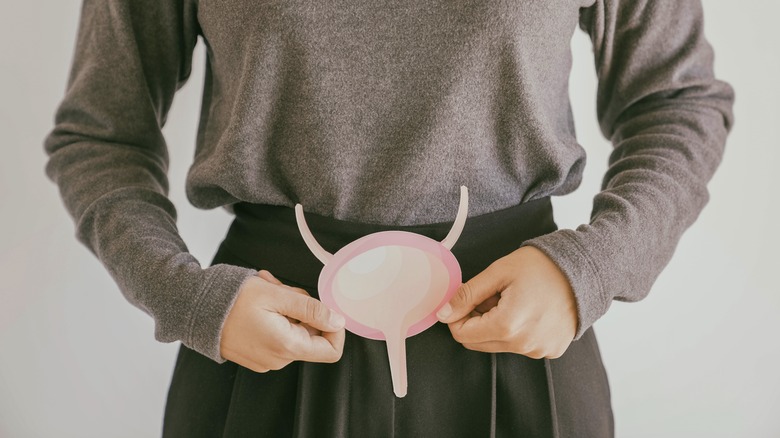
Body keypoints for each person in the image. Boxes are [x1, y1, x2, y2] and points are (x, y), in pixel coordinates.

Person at [44, 0, 734, 436]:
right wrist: (188, 297)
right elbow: (100, 137)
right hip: (268, 344)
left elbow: (678, 103)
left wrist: (588, 268)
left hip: (520, 346)